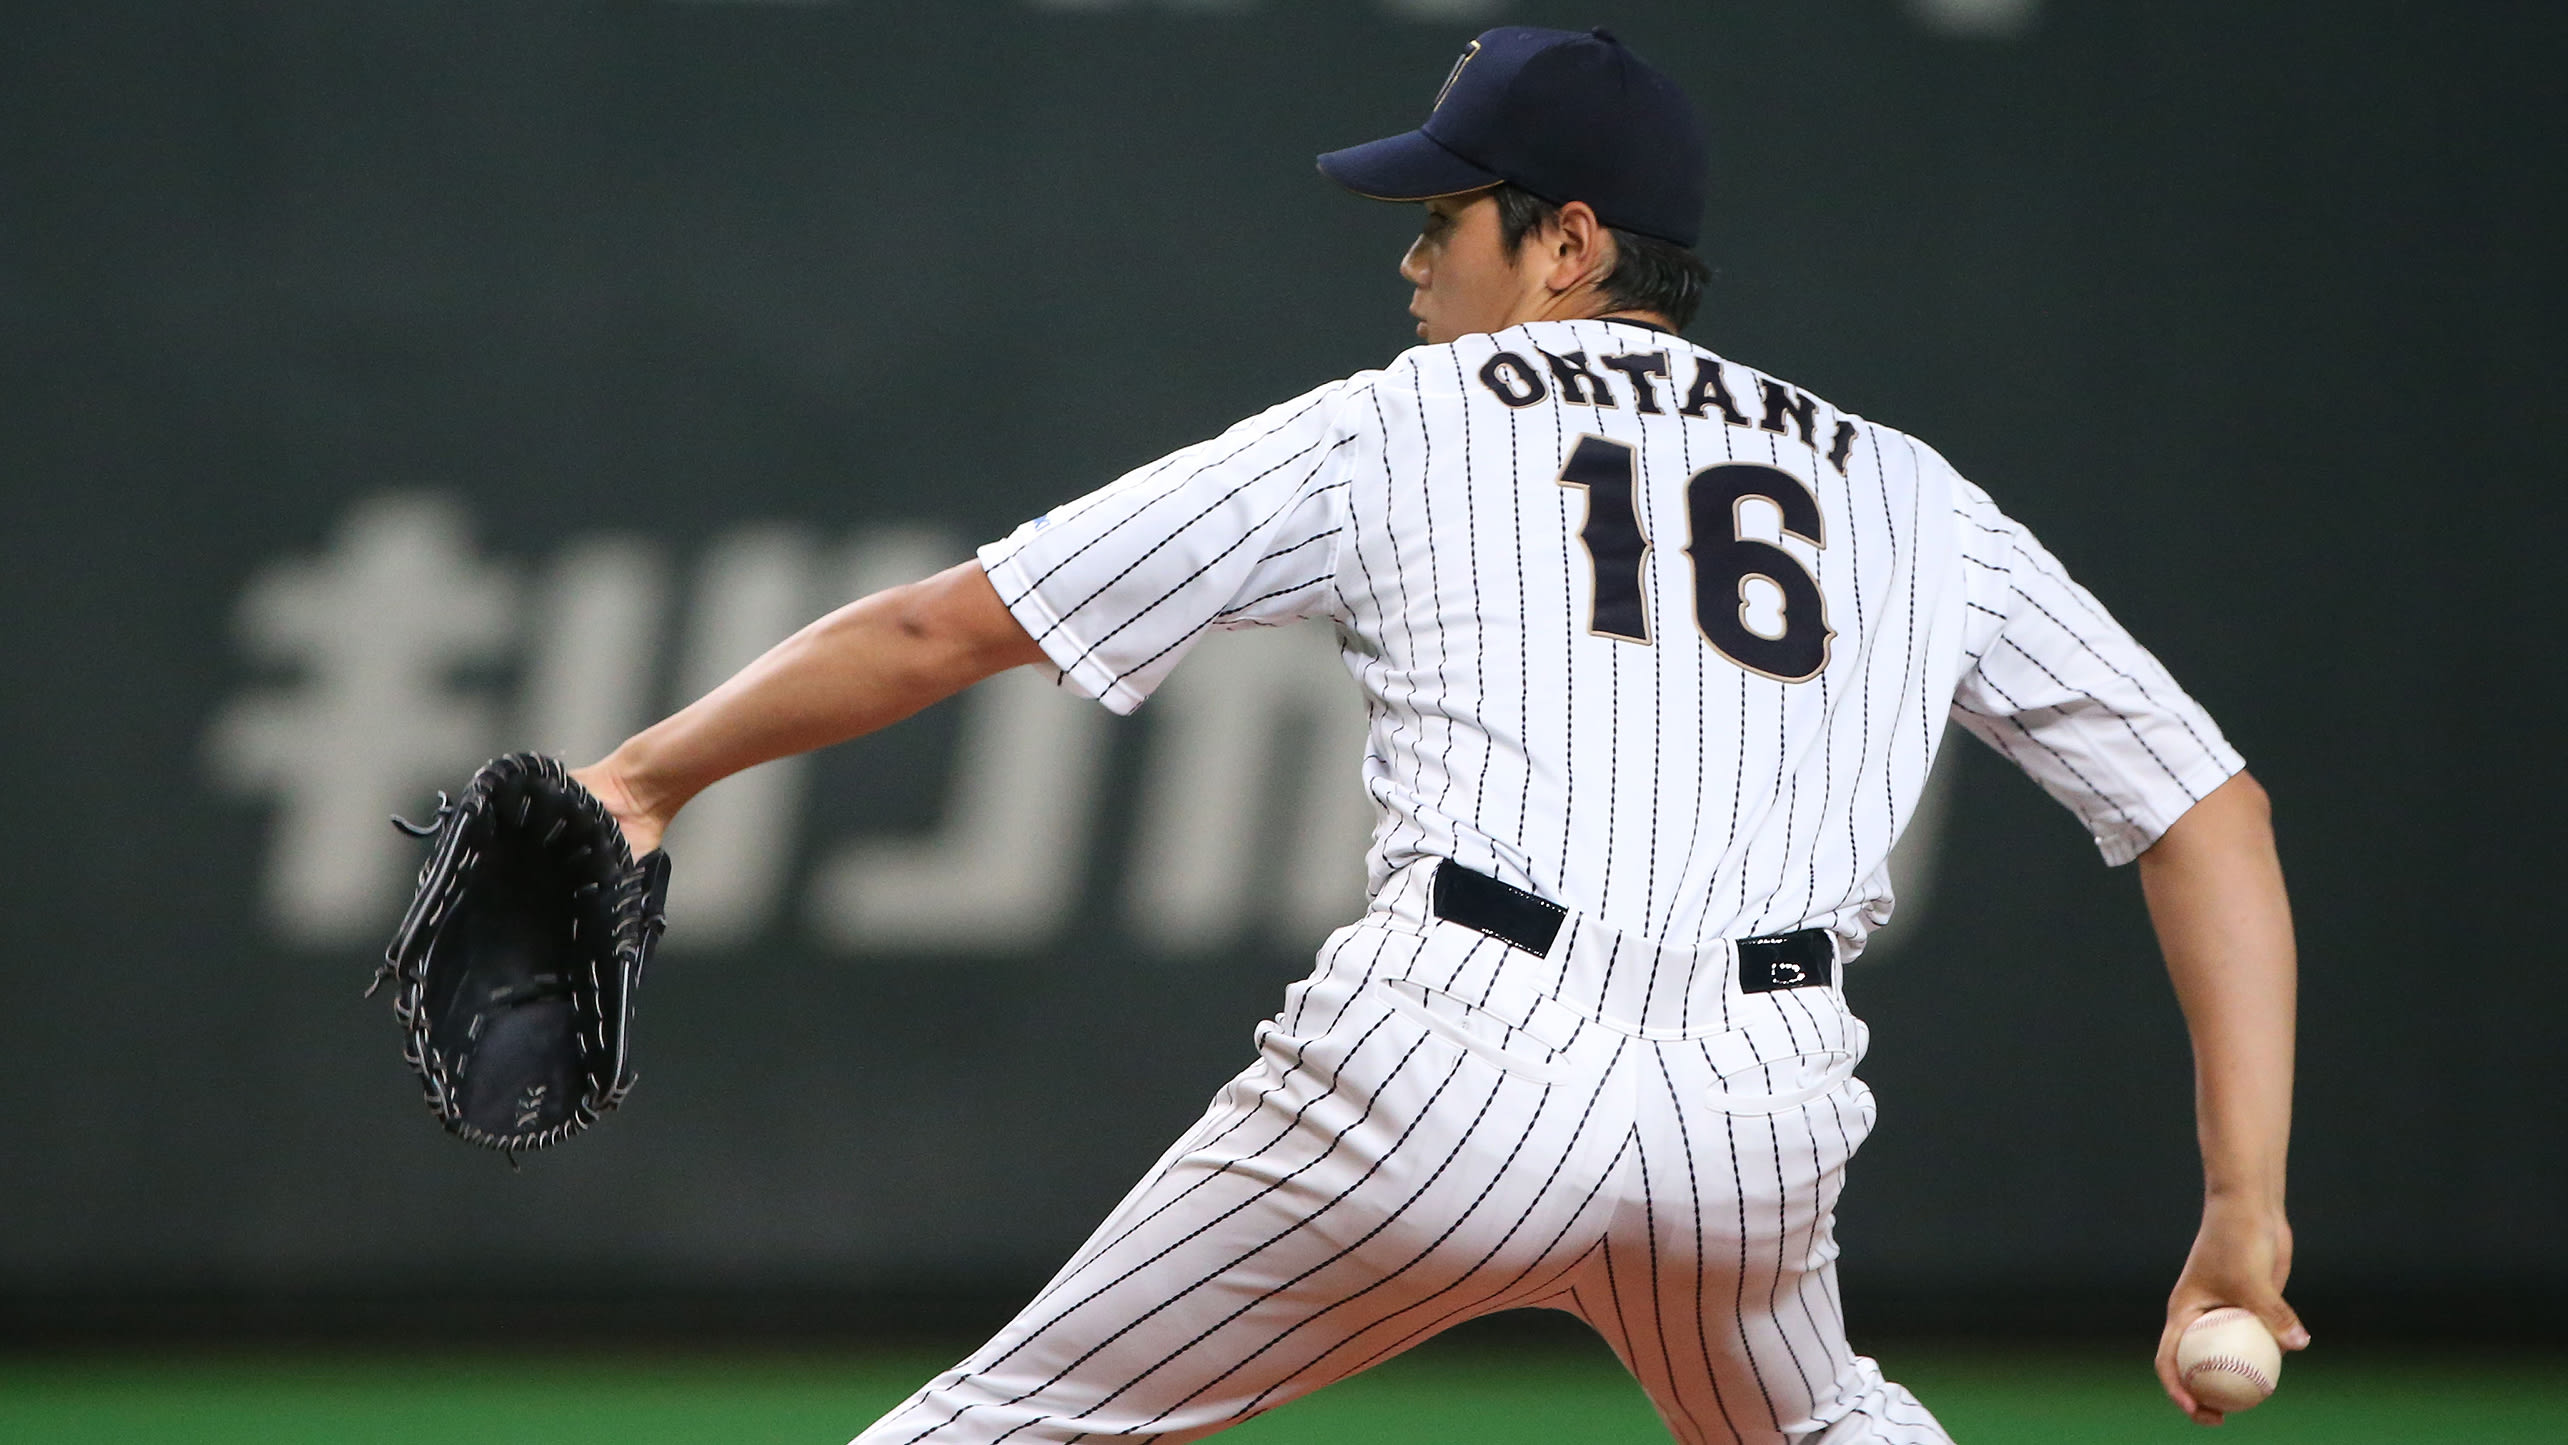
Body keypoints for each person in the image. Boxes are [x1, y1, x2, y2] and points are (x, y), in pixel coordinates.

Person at [573, 26, 2304, 1443]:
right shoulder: (1913, 493)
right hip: (1760, 1114)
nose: (1411, 260)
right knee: (1821, 1416)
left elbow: (945, 623)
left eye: (1445, 218)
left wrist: (647, 774)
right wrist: (2246, 1206)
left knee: (1015, 1417)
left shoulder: (1415, 415)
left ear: (1565, 243)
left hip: (1454, 1062)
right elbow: (2202, 805)